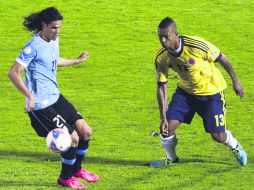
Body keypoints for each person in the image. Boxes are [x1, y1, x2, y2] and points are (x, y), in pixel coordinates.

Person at [8, 7, 99, 189]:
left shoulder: (53, 40)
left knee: (86, 131)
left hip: (56, 97)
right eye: (54, 28)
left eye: (59, 27)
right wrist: (29, 96)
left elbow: (53, 61)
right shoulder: (32, 46)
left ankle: (76, 169)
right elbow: (13, 72)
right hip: (41, 106)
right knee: (72, 139)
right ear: (44, 25)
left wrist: (76, 60)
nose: (57, 32)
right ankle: (65, 178)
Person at [150, 17, 247, 167]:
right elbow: (162, 85)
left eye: (166, 37)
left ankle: (234, 145)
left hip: (211, 93)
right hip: (185, 94)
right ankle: (171, 159)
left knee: (218, 136)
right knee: (166, 128)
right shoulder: (161, 57)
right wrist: (163, 116)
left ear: (176, 34)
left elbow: (222, 58)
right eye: (159, 37)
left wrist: (236, 81)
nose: (162, 41)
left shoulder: (196, 45)